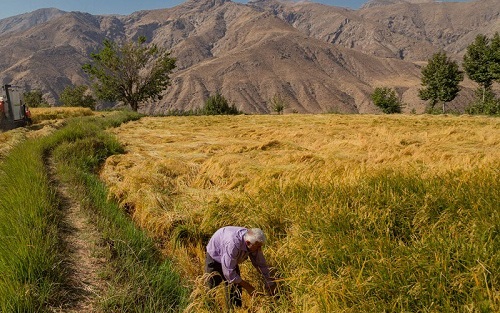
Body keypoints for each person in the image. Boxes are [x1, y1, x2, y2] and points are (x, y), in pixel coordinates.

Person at [205, 226, 276, 308]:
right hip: (215, 254)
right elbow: (229, 273)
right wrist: (248, 287)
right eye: (258, 246)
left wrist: (269, 282)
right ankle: (210, 308)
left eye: (260, 246)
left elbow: (261, 264)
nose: (259, 249)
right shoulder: (233, 244)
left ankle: (235, 309)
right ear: (248, 243)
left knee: (235, 288)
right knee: (211, 286)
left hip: (230, 256)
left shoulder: (254, 244)